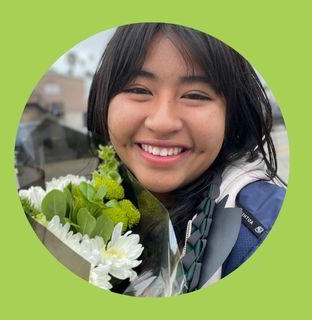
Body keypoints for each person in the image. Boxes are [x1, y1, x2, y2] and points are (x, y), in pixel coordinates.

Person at [87, 23, 286, 292]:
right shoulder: (83, 204)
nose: (162, 122)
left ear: (233, 115)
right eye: (139, 90)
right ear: (104, 100)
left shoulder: (263, 230)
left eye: (195, 95)